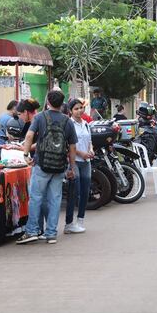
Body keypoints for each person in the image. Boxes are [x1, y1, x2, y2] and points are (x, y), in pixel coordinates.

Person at [17, 90, 78, 245]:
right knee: (55, 199)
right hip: (59, 165)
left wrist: (25, 154)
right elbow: (72, 147)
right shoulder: (68, 121)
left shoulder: (39, 117)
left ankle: (32, 231)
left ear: (48, 102)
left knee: (36, 198)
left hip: (42, 164)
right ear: (62, 103)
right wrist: (72, 167)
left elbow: (29, 136)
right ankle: (51, 234)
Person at [64, 98, 94, 234]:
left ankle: (80, 219)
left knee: (85, 192)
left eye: (81, 107)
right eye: (76, 109)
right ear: (70, 111)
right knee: (74, 192)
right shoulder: (68, 124)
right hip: (74, 161)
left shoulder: (86, 124)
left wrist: (91, 150)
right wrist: (81, 153)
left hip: (86, 162)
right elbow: (67, 145)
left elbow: (89, 140)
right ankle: (69, 223)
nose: (79, 110)